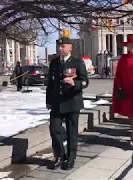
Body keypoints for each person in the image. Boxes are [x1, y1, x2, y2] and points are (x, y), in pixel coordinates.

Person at [46, 37, 88, 170]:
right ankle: (59, 155)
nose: (60, 48)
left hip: (72, 102)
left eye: (63, 46)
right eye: (59, 46)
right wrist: (48, 101)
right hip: (57, 103)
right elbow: (50, 84)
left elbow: (85, 81)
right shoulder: (54, 63)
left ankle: (70, 158)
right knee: (54, 129)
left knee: (72, 132)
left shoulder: (77, 62)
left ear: (70, 48)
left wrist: (74, 83)